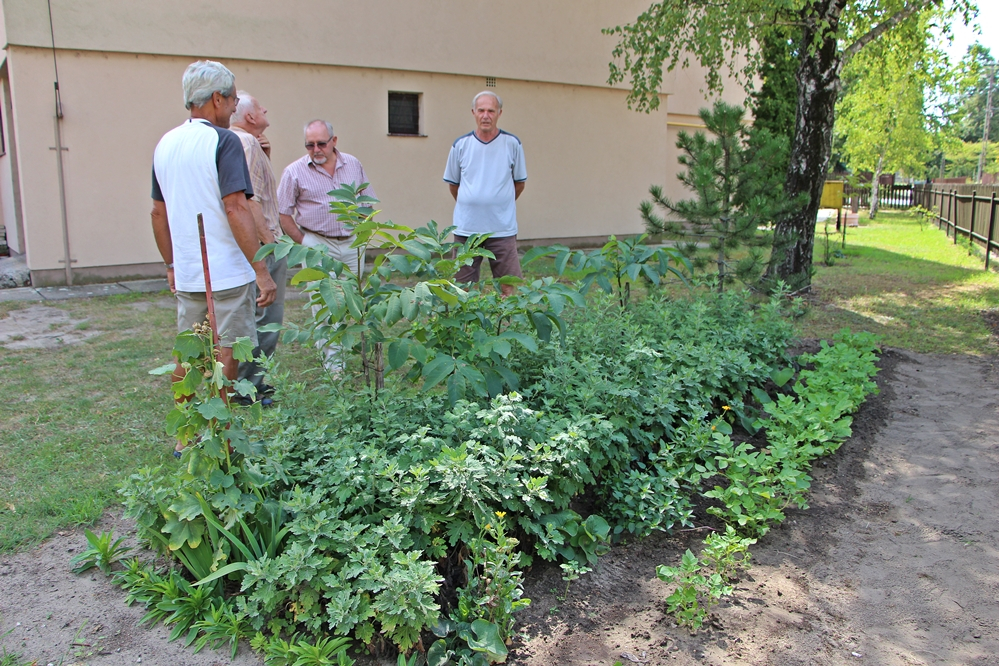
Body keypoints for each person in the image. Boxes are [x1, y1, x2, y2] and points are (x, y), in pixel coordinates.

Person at [150, 60, 277, 455]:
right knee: (228, 351)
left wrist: (172, 264)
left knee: (188, 355)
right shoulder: (224, 142)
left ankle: (184, 436)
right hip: (225, 273)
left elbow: (158, 212)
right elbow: (236, 207)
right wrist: (261, 269)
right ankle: (219, 433)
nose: (234, 106)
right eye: (233, 98)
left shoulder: (165, 143)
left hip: (189, 271)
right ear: (217, 99)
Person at [277, 119, 377, 374]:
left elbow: (367, 200)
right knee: (325, 303)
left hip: (352, 243)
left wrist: (364, 232)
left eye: (321, 143)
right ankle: (334, 369)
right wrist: (304, 243)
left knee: (351, 300)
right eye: (310, 145)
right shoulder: (294, 172)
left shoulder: (353, 164)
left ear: (334, 141)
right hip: (317, 242)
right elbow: (283, 214)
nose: (316, 149)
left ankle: (357, 353)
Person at [230, 91, 285, 404]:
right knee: (265, 317)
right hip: (262, 243)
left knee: (251, 313)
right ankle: (250, 386)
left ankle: (244, 382)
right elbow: (250, 200)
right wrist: (268, 243)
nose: (266, 111)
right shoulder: (246, 143)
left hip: (248, 244)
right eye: (261, 108)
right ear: (250, 116)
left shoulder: (245, 143)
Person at [443, 91, 527, 297]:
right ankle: (467, 328)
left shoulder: (512, 144)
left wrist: (498, 204)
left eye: (491, 110)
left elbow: (519, 183)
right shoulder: (460, 145)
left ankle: (506, 326)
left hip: (501, 229)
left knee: (508, 287)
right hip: (467, 230)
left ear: (499, 113)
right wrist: (473, 203)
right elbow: (454, 185)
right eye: (481, 110)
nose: (486, 115)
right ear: (473, 112)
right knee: (462, 288)